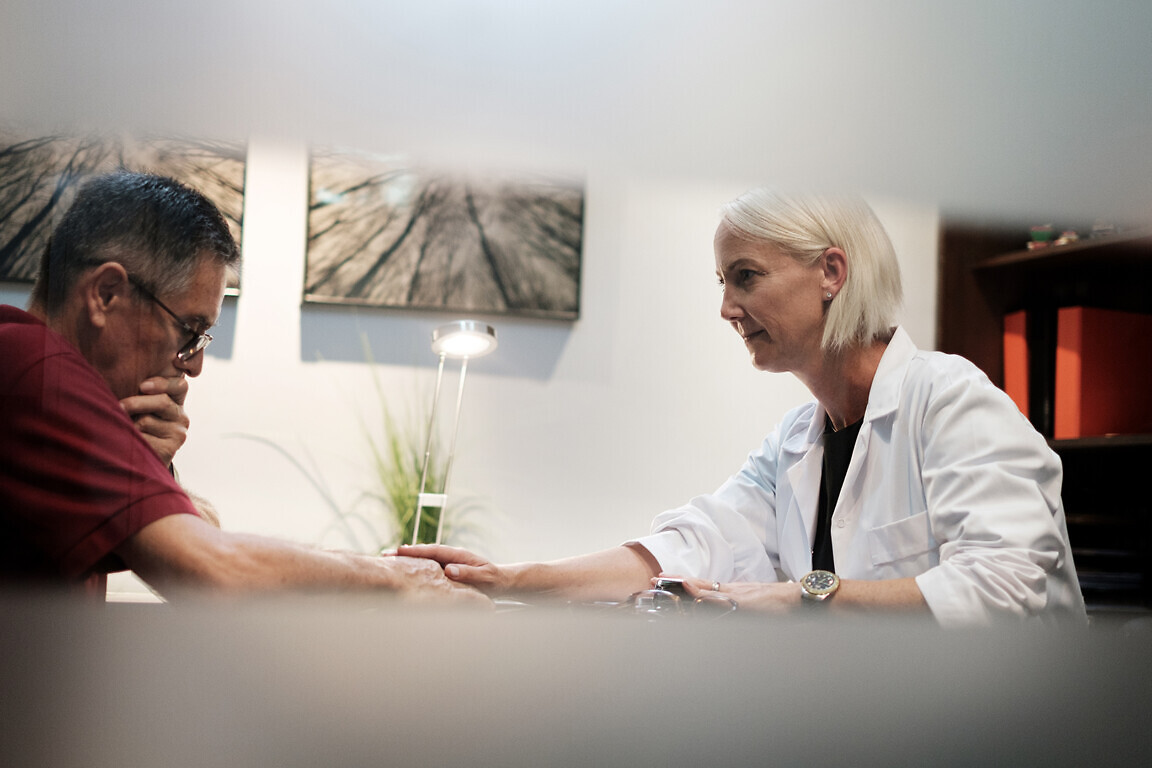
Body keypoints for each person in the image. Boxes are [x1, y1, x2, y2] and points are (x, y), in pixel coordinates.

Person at [402, 189, 1087, 626]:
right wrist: (512, 580)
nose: (727, 308)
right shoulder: (795, 443)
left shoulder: (952, 402)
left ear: (831, 273)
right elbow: (694, 546)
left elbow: (1005, 588)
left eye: (746, 277)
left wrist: (805, 596)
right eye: (723, 282)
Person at [0, 171, 484, 605]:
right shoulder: (35, 370)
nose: (194, 366)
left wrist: (153, 465)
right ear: (106, 295)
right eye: (190, 330)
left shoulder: (39, 377)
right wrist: (399, 579)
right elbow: (215, 572)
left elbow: (201, 536)